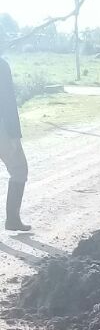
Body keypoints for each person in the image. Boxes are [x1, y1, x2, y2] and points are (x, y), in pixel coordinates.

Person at [0, 57, 31, 232]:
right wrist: (14, 135)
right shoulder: (2, 65)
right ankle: (12, 219)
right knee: (19, 169)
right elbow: (7, 102)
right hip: (2, 128)